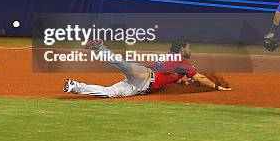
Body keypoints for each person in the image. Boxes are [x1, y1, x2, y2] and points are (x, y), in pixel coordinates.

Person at [63, 38, 231, 98]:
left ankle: (75, 86)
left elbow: (176, 77)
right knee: (122, 64)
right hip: (145, 76)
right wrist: (217, 87)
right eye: (188, 47)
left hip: (140, 87)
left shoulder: (173, 60)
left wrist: (187, 84)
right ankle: (98, 47)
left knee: (110, 93)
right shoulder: (181, 61)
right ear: (181, 49)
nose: (190, 50)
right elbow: (199, 77)